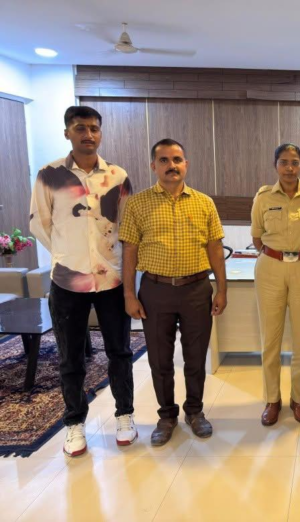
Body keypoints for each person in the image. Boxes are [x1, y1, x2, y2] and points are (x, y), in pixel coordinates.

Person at [29, 105, 136, 457]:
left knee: (120, 351)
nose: (88, 134)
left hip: (112, 279)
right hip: (68, 281)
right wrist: (66, 255)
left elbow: (127, 226)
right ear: (67, 133)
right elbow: (40, 223)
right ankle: (74, 422)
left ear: (100, 133)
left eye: (93, 128)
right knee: (70, 356)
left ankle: (124, 415)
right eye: (80, 128)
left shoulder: (117, 176)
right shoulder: (49, 175)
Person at [120, 138, 227, 446]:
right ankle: (166, 415)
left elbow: (215, 248)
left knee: (195, 357)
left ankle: (195, 411)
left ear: (186, 164)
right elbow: (129, 251)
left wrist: (222, 289)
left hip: (196, 290)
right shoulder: (138, 204)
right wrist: (129, 294)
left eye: (177, 159)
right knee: (160, 359)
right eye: (164, 160)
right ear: (153, 166)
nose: (171, 166)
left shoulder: (204, 202)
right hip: (156, 291)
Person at [251, 143, 300, 426]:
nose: (289, 168)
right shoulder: (263, 197)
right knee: (270, 340)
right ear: (276, 165)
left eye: (294, 162)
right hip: (270, 268)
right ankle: (273, 400)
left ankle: (298, 398)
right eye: (283, 162)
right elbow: (257, 237)